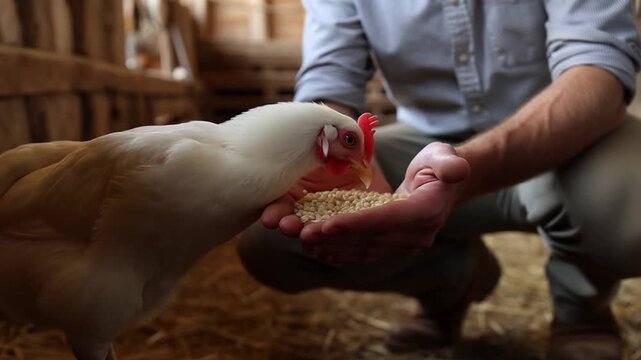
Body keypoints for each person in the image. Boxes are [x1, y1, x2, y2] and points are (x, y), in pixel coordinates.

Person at [237, 1, 641, 359]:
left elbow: (597, 68)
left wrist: (466, 169)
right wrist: (328, 155)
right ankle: (451, 280)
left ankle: (582, 310)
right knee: (275, 238)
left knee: (633, 211)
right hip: (423, 139)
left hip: (564, 136)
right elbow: (330, 78)